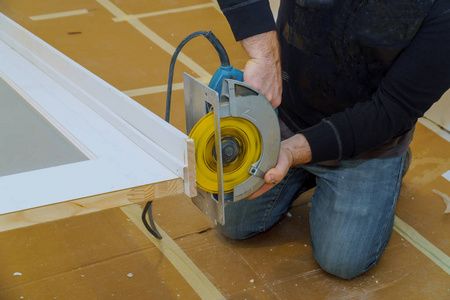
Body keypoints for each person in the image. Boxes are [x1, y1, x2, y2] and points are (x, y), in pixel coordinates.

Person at [215, 0, 450, 279]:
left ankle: (390, 167)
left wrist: (291, 153)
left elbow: (392, 110)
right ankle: (305, 171)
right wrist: (264, 54)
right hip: (289, 113)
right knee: (233, 225)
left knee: (342, 261)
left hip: (368, 145)